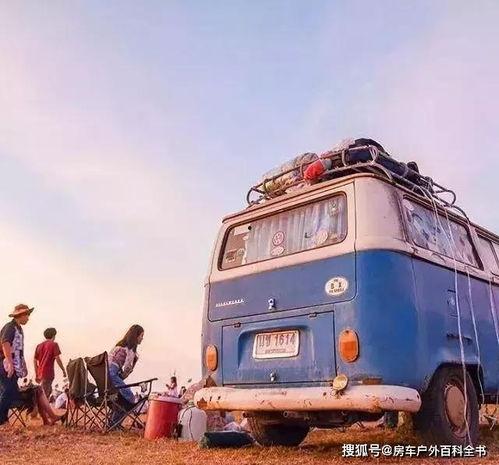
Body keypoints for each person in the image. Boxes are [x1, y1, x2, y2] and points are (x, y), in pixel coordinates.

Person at [0, 304, 33, 425]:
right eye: (27, 315)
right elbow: (5, 343)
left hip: (16, 364)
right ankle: (1, 418)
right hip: (5, 363)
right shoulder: (10, 327)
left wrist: (23, 364)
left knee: (10, 391)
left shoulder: (19, 329)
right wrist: (9, 362)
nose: (28, 318)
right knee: (8, 390)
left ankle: (4, 419)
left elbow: (19, 350)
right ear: (21, 315)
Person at [109, 325, 144, 405]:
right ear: (136, 336)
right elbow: (127, 368)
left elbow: (110, 358)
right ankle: (132, 398)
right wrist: (131, 368)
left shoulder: (119, 345)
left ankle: (128, 400)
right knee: (122, 386)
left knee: (120, 386)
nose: (142, 338)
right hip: (112, 372)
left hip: (105, 372)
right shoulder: (130, 349)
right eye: (141, 335)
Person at [34, 328, 67, 399]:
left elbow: (35, 361)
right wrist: (63, 370)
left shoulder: (39, 346)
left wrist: (36, 373)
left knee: (46, 391)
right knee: (45, 395)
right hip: (48, 372)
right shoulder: (54, 345)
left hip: (40, 373)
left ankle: (42, 405)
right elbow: (57, 358)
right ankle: (41, 406)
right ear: (53, 335)